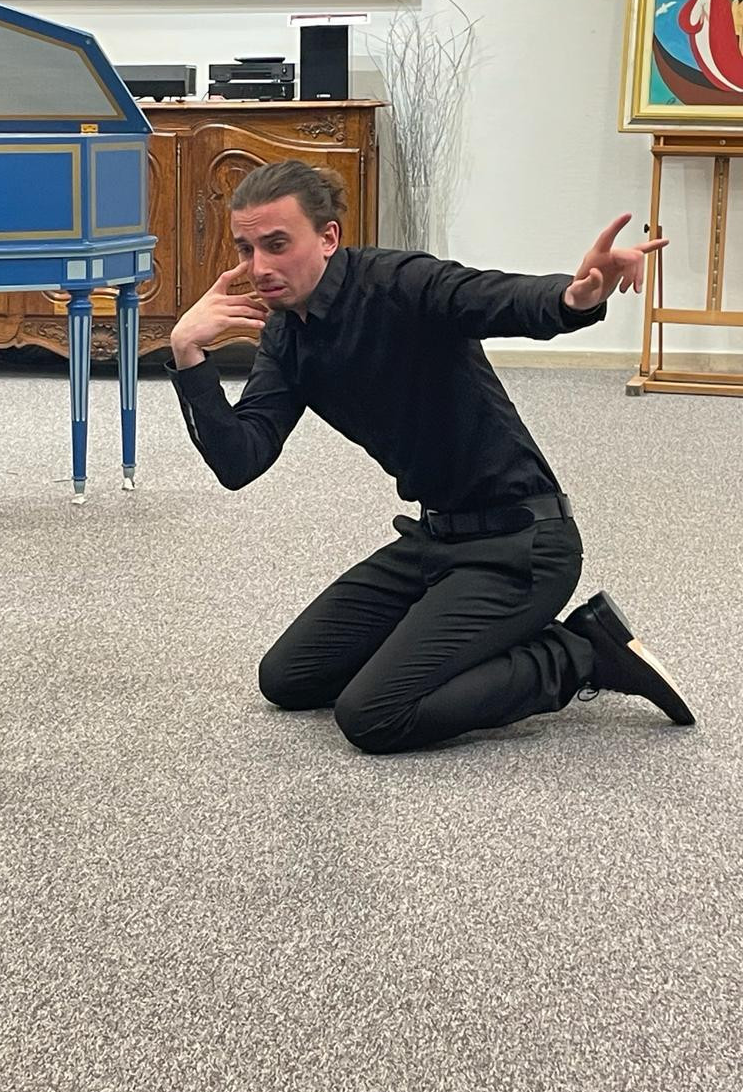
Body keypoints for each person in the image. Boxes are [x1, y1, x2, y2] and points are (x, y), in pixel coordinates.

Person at [168, 159, 695, 754]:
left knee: (372, 716)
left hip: (522, 546)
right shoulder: (286, 336)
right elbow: (240, 460)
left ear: (328, 237)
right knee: (289, 679)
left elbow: (490, 296)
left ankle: (580, 653)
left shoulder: (396, 283)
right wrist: (188, 353)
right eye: (246, 249)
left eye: (276, 244)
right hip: (433, 542)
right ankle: (451, 636)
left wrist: (573, 297)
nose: (259, 267)